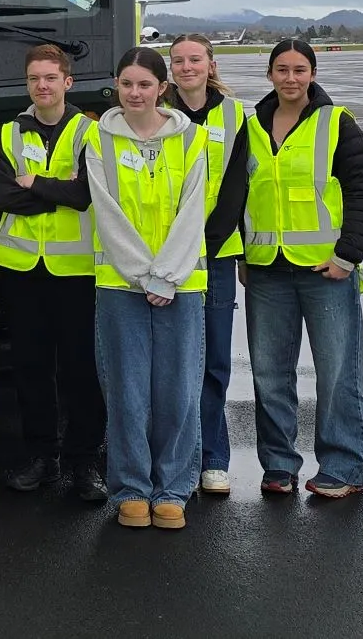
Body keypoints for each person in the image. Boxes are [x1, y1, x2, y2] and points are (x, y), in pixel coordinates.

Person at [241, 39, 363, 499]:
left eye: (300, 70)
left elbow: (361, 193)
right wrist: (243, 255)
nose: (291, 78)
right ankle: (278, 465)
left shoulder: (337, 123)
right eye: (282, 69)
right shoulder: (251, 126)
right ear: (270, 75)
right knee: (269, 374)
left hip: (326, 271)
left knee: (337, 372)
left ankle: (342, 466)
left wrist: (348, 255)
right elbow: (239, 197)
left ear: (313, 74)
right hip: (266, 270)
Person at [87, 47, 208, 531]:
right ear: (116, 85)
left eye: (145, 84)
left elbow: (193, 210)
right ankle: (132, 488)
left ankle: (174, 487)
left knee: (178, 390)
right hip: (121, 284)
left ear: (163, 88)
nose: (135, 93)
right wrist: (144, 274)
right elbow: (107, 214)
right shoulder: (98, 141)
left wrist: (167, 275)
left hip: (182, 284)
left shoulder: (193, 141)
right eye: (127, 84)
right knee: (126, 391)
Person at [0, 44, 107, 503]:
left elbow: (87, 196)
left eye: (51, 78)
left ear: (67, 82)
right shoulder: (7, 133)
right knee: (31, 369)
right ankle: (42, 455)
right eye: (35, 78)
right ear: (28, 83)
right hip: (21, 269)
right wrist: (58, 191)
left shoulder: (89, 133)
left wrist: (34, 183)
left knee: (81, 370)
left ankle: (85, 462)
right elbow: (0, 196)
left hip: (77, 270)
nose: (42, 85)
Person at [164, 33, 253, 497]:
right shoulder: (158, 114)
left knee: (214, 360)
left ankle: (213, 458)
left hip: (214, 254)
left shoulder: (236, 116)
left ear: (210, 63)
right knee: (172, 363)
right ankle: (176, 457)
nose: (186, 67)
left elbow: (236, 187)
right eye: (178, 60)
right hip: (166, 257)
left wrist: (204, 241)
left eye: (194, 59)